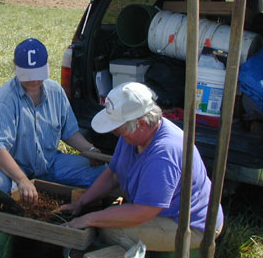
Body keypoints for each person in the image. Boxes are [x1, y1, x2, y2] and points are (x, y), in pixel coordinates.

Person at [60, 82, 223, 253]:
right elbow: (112, 175)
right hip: (158, 210)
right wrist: (82, 202)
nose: (116, 133)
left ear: (142, 124)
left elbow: (144, 211)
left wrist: (88, 219)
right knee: (108, 215)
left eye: (118, 130)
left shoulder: (164, 154)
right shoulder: (133, 135)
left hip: (189, 224)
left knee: (110, 230)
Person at [0, 38, 106, 205]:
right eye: (28, 76)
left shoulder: (56, 91)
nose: (34, 81)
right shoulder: (5, 99)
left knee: (102, 173)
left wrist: (90, 150)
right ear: (16, 68)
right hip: (11, 165)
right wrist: (21, 180)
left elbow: (69, 132)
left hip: (48, 162)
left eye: (38, 75)